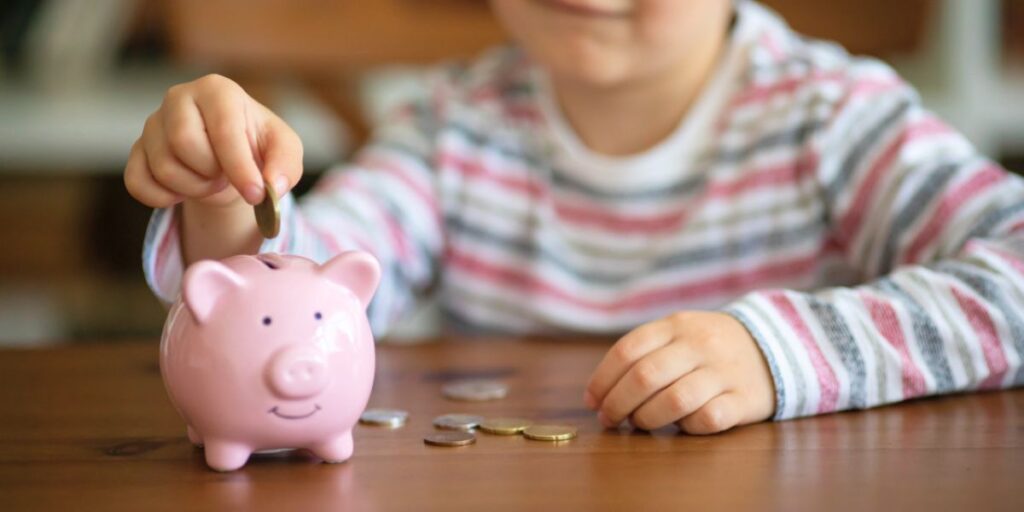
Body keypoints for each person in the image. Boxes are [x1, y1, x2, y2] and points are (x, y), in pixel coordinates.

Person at [124, 0, 1024, 435]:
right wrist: (226, 193)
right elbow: (313, 296)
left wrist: (783, 353)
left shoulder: (835, 118)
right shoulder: (453, 127)